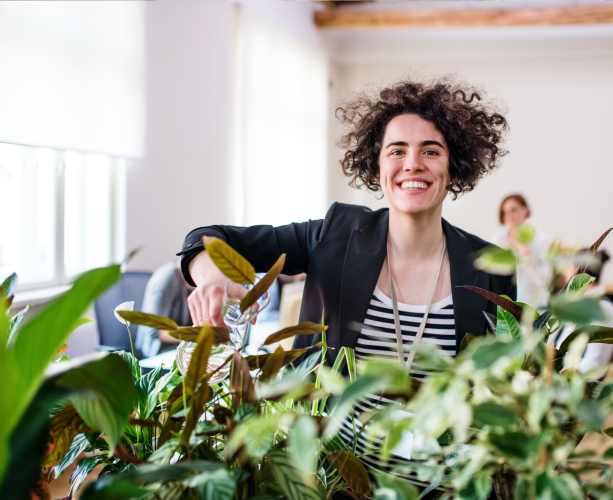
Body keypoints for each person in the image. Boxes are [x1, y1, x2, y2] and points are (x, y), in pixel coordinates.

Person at [177, 79, 515, 488]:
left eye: (431, 150)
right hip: (328, 482)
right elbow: (205, 239)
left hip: (444, 487)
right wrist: (214, 281)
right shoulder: (334, 235)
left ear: (453, 166)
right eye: (397, 151)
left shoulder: (490, 267)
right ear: (377, 167)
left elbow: (498, 390)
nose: (413, 164)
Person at [548, 250, 613, 377]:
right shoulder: (574, 303)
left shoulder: (603, 311)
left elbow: (593, 366)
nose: (564, 273)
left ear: (579, 273)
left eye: (568, 268)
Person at [493, 193, 553, 306]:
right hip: (507, 307)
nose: (509, 216)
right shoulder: (498, 241)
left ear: (525, 210)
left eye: (513, 210)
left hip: (537, 306)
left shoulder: (541, 239)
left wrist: (524, 250)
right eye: (504, 212)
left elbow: (543, 281)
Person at [135, 260, 194, 358]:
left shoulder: (191, 282)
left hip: (180, 347)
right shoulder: (166, 279)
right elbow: (155, 331)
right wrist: (197, 333)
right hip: (157, 352)